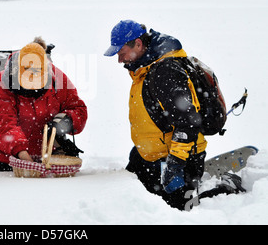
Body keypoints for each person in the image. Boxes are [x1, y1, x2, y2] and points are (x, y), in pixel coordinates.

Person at [104, 20, 245, 210]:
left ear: (138, 43)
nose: (120, 60)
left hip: (181, 158)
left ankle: (226, 186)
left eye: (121, 53)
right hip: (153, 157)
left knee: (184, 209)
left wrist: (175, 165)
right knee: (141, 204)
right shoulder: (145, 68)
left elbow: (188, 122)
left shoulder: (164, 72)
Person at [0, 37, 88, 171]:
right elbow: (5, 123)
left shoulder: (58, 79)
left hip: (48, 157)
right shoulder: (3, 84)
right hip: (8, 159)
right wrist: (23, 154)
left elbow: (78, 109)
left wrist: (66, 122)